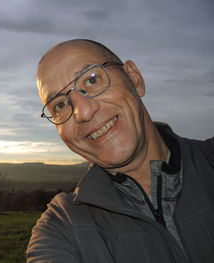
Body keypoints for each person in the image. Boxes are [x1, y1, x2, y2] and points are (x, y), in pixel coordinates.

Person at [26, 39, 214, 263]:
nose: (83, 112)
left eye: (92, 79)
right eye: (59, 105)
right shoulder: (63, 224)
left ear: (135, 78)